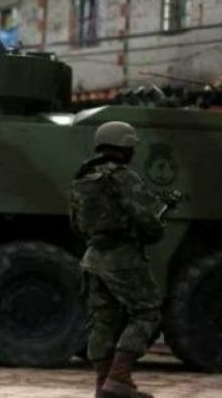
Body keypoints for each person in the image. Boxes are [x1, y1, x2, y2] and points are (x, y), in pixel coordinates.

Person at [69, 121, 167, 398]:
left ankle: (103, 385)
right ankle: (119, 377)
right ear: (125, 146)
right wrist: (156, 226)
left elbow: (75, 224)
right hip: (122, 257)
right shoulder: (123, 177)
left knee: (102, 321)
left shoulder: (83, 177)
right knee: (147, 312)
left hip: (92, 257)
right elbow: (148, 224)